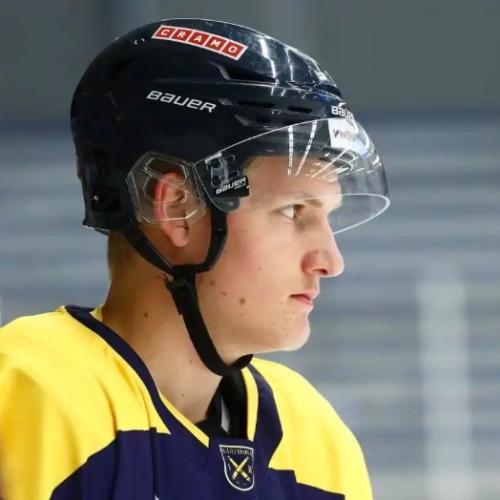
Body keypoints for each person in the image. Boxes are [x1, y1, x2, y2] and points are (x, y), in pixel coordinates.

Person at [0, 18, 390, 500]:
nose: (330, 261)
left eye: (326, 217)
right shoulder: (32, 392)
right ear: (176, 208)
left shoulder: (316, 440)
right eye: (293, 211)